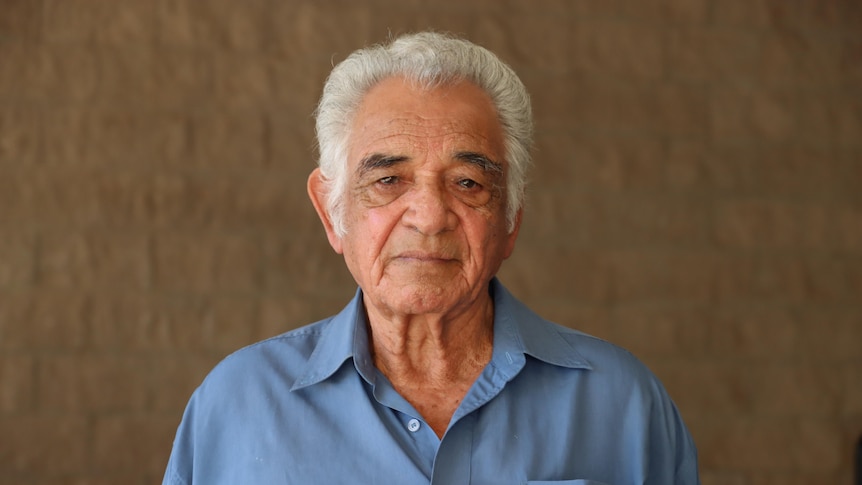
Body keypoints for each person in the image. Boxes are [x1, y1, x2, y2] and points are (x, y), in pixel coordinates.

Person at [162, 32, 700, 485]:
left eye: (468, 182)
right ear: (332, 214)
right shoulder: (235, 406)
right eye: (388, 180)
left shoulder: (623, 404)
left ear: (511, 219)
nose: (429, 216)